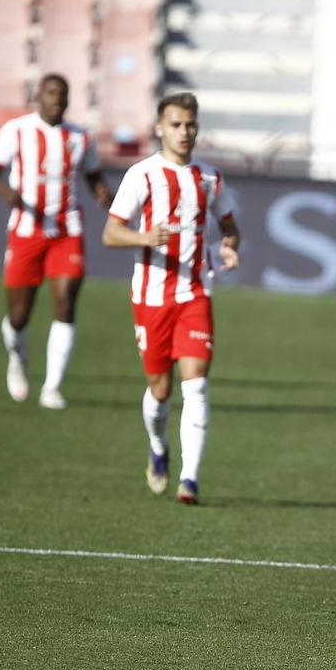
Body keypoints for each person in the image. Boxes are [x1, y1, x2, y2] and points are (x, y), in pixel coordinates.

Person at [102, 93, 240, 506]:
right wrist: (144, 237)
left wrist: (230, 247)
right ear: (160, 128)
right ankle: (158, 447)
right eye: (176, 124)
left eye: (190, 124)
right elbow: (111, 233)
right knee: (160, 391)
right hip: (151, 296)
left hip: (196, 293)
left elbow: (230, 225)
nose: (184, 132)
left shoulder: (210, 178)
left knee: (195, 388)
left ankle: (190, 480)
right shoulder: (141, 176)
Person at [0, 75, 112, 409]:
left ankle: (52, 387)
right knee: (19, 316)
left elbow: (93, 172)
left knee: (66, 301)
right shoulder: (16, 131)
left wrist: (101, 190)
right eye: (51, 93)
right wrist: (4, 191)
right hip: (26, 230)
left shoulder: (81, 137)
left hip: (67, 230)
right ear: (37, 96)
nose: (57, 99)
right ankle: (18, 356)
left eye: (63, 95)